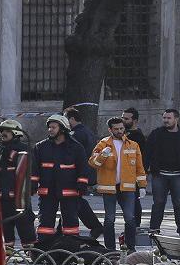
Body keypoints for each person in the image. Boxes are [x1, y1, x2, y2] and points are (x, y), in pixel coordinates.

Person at [88, 117, 148, 252]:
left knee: (130, 218)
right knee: (109, 219)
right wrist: (102, 155)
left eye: (122, 128)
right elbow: (93, 163)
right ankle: (110, 249)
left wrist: (142, 185)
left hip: (127, 187)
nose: (120, 131)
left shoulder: (133, 145)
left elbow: (139, 167)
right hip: (109, 187)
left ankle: (130, 248)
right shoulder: (103, 144)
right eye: (116, 129)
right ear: (110, 130)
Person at [32, 114, 90, 239]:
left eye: (53, 127)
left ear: (63, 129)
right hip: (47, 191)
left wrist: (82, 184)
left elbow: (83, 168)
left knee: (70, 224)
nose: (50, 130)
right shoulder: (41, 147)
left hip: (69, 191)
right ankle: (43, 250)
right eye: (49, 127)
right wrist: (32, 184)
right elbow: (34, 169)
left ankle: (71, 249)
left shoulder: (76, 147)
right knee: (45, 223)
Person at [145, 108, 180, 238]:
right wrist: (145, 172)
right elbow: (147, 153)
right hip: (159, 175)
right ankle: (154, 229)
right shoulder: (156, 134)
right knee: (158, 203)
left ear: (176, 119)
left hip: (178, 175)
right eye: (164, 118)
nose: (166, 120)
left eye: (169, 118)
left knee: (179, 204)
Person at [0, 119, 36, 249]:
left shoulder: (25, 150)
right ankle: (7, 253)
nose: (3, 133)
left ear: (15, 132)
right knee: (5, 227)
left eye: (7, 131)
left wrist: (31, 186)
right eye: (2, 131)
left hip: (19, 197)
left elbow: (32, 170)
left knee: (25, 224)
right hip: (2, 197)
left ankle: (31, 252)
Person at [63, 107, 104, 240]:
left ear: (72, 119)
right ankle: (95, 226)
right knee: (75, 201)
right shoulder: (86, 131)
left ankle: (95, 226)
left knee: (74, 201)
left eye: (65, 118)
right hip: (86, 172)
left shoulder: (76, 134)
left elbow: (73, 155)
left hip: (78, 174)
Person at [122, 107, 147, 228]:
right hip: (121, 175)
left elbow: (142, 159)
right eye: (123, 117)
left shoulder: (138, 137)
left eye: (126, 119)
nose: (123, 120)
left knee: (134, 202)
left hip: (133, 176)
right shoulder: (123, 134)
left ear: (135, 121)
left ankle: (135, 225)